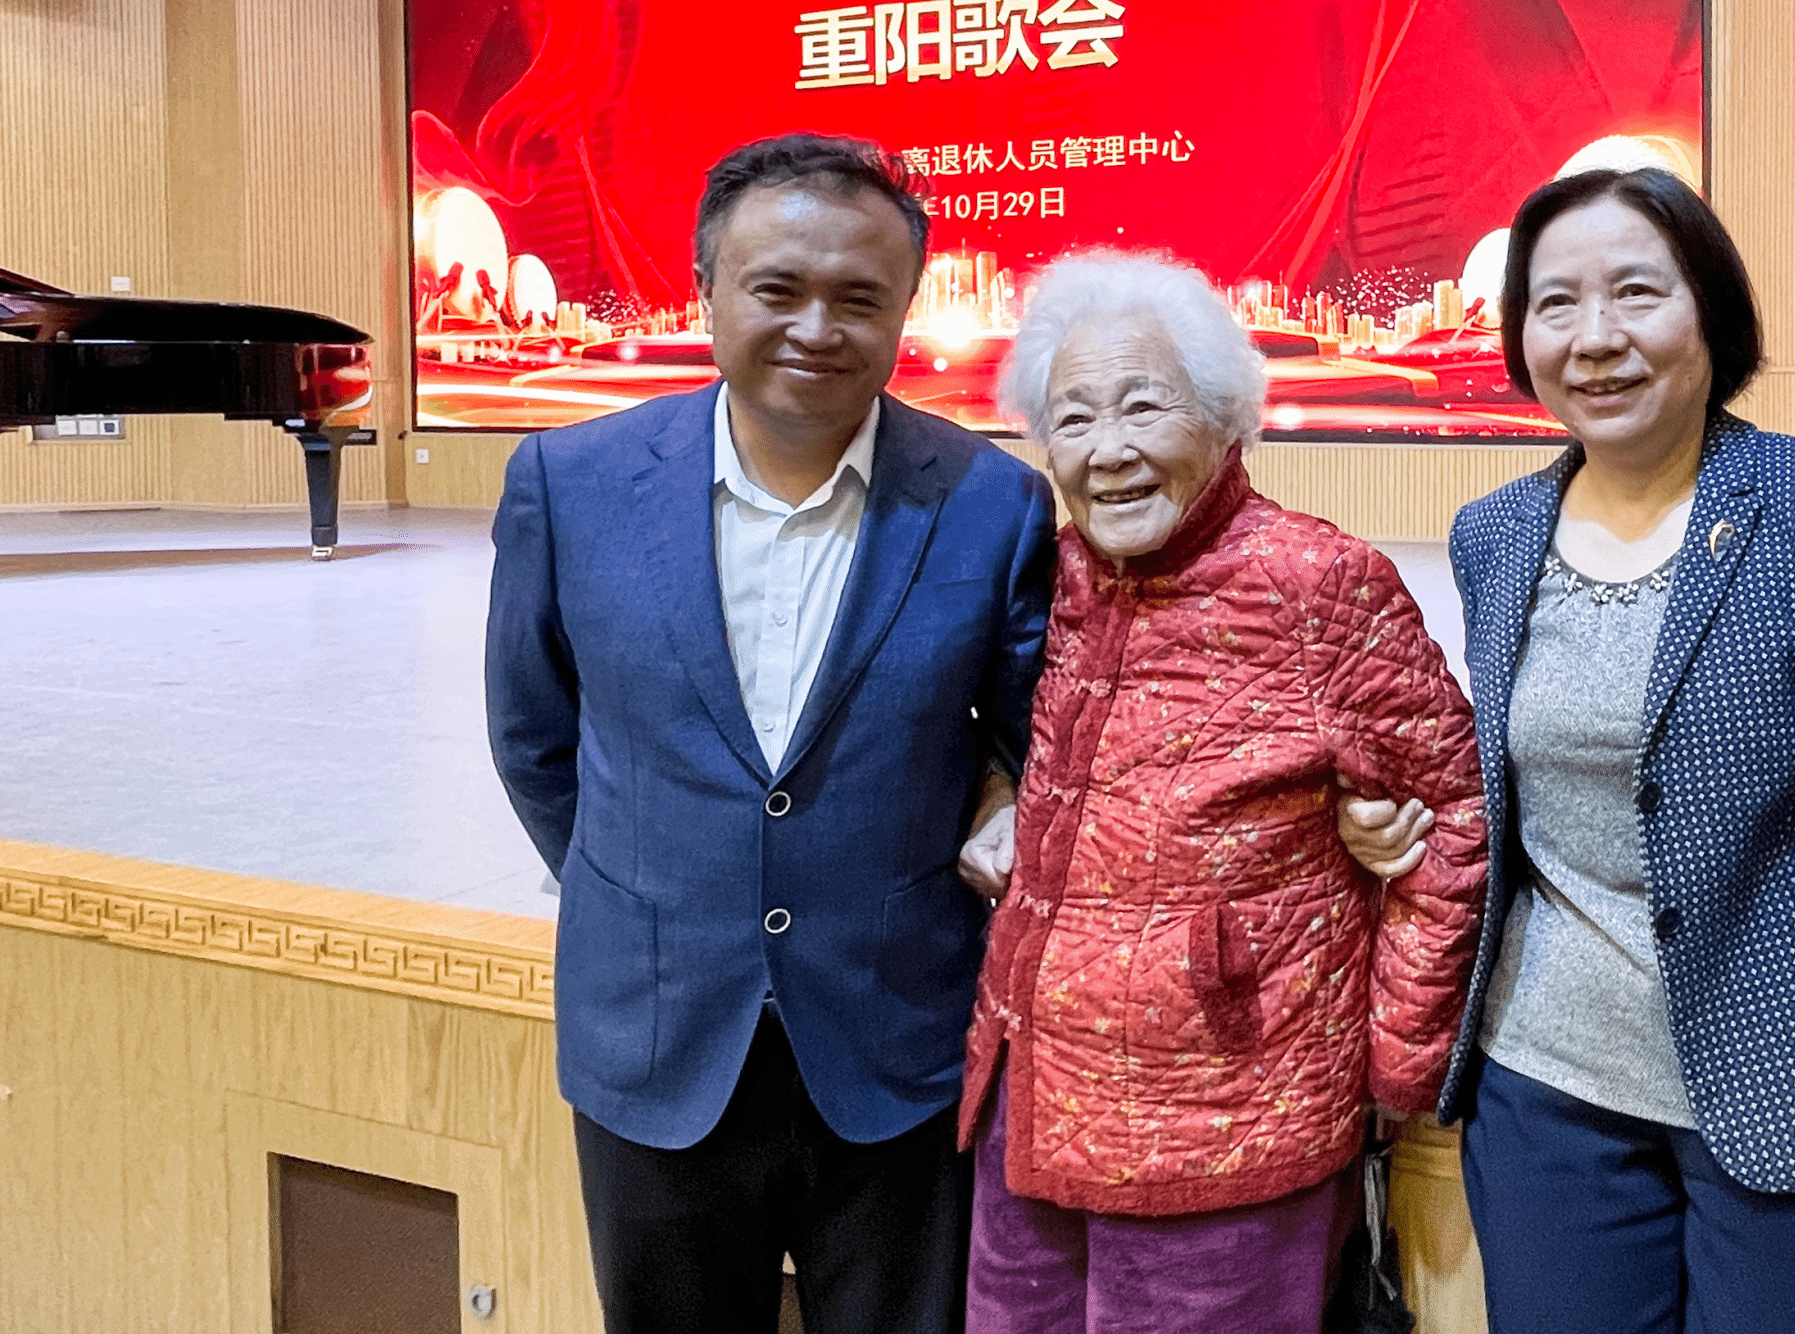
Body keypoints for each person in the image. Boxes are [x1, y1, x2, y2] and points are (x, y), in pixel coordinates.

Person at [484, 134, 1059, 1334]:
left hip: (894, 1044)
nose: (816, 328)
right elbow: (533, 734)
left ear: (905, 308)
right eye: (777, 289)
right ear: (705, 289)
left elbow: (1035, 740)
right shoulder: (569, 482)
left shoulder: (989, 503)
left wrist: (995, 799)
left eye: (859, 298)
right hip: (655, 1034)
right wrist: (650, 875)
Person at [1440, 167, 1795, 1334]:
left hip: (1790, 1084)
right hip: (1544, 1089)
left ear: (1709, 310)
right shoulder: (1492, 534)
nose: (1594, 337)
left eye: (1635, 292)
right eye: (1554, 303)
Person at [950, 252, 1489, 1334]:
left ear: (1223, 416)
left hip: (1231, 1116)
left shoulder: (1318, 581)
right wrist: (991, 795)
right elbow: (976, 728)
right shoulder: (1051, 571)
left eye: (1144, 406)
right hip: (1030, 1101)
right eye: (1072, 420)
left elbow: (1454, 821)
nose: (1108, 449)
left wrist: (1394, 1066)